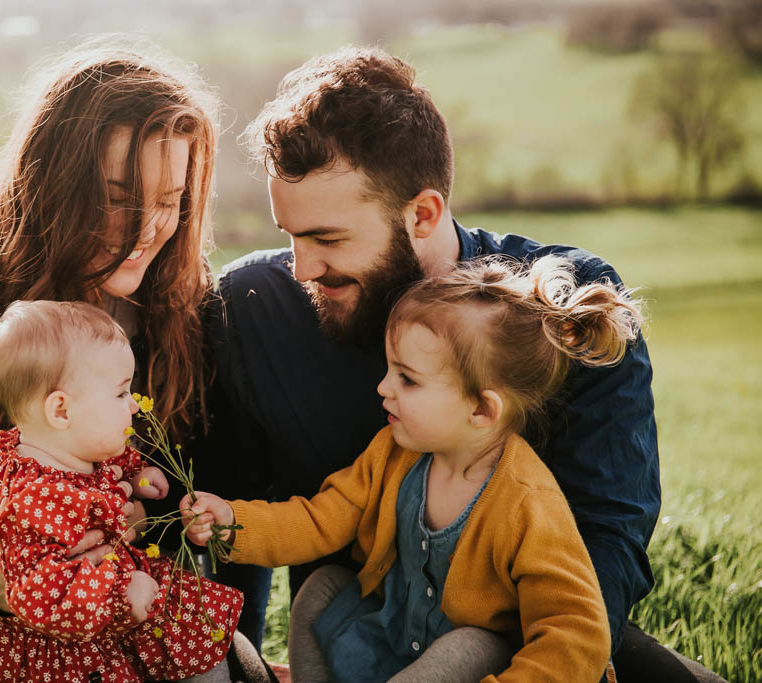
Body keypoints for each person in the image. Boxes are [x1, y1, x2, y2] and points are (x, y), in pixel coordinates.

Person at [198, 47, 723, 681]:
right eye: (289, 235)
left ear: (423, 214)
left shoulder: (556, 306)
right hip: (358, 638)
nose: (301, 267)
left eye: (327, 239)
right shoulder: (254, 308)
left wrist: (553, 665)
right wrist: (231, 661)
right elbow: (238, 510)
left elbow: (607, 535)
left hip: (526, 645)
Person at [0, 39, 272, 683]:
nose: (145, 230)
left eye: (169, 200)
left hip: (132, 607)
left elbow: (206, 504)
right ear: (50, 182)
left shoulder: (183, 309)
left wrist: (152, 520)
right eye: (115, 196)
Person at [185, 255, 641, 681]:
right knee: (322, 589)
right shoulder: (396, 454)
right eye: (389, 369)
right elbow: (320, 519)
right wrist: (233, 523)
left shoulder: (526, 501)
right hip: (391, 633)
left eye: (407, 378)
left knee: (470, 645)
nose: (383, 387)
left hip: (467, 666)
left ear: (482, 409)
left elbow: (577, 629)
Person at [0, 300, 242, 682]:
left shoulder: (74, 453)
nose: (132, 404)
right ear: (61, 411)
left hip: (114, 616)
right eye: (120, 393)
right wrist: (120, 598)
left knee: (199, 644)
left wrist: (138, 473)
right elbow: (41, 593)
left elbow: (109, 468)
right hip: (72, 650)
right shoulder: (36, 502)